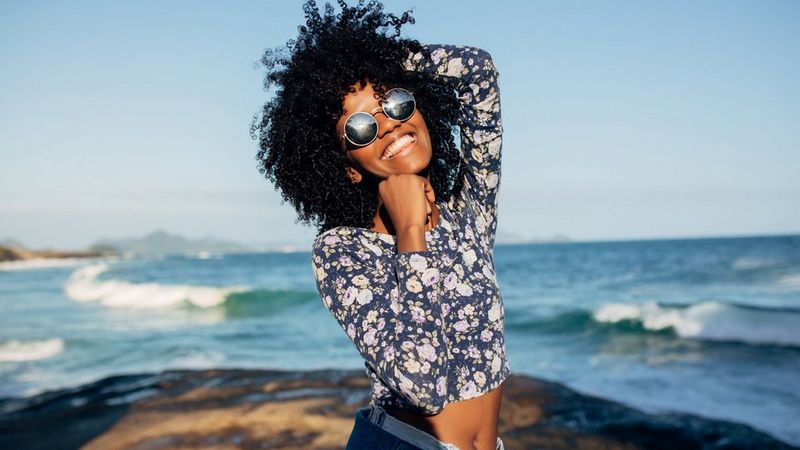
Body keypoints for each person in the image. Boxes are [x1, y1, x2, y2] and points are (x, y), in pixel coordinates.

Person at [251, 1, 510, 449]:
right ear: (349, 167)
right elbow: (421, 384)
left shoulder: (468, 213)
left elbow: (478, 72)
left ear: (421, 109)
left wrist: (375, 61)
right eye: (360, 128)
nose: (388, 125)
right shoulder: (342, 252)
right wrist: (410, 233)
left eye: (395, 101)